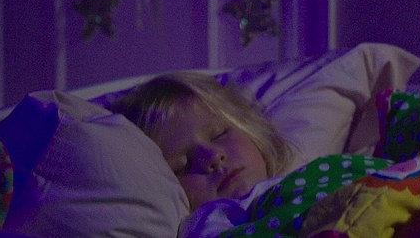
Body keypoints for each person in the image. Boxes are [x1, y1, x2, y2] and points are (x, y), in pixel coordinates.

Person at [110, 72, 291, 211]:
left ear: (250, 131)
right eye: (184, 165)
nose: (214, 156)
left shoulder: (303, 182)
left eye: (220, 135)